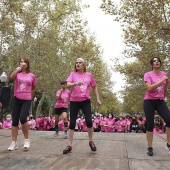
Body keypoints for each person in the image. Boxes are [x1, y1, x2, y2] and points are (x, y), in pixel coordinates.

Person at [63, 58, 101, 154]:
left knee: (88, 121)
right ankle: (69, 145)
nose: (78, 64)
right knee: (72, 123)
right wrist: (75, 83)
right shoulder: (73, 74)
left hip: (85, 101)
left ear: (84, 65)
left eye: (80, 63)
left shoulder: (89, 75)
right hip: (74, 101)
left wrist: (98, 99)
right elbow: (66, 84)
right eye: (76, 63)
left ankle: (91, 141)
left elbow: (94, 86)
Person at [8, 57, 36, 151]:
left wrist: (30, 97)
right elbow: (11, 77)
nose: (23, 63)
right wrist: (18, 68)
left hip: (26, 99)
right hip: (17, 98)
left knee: (23, 118)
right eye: (21, 61)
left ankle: (26, 140)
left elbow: (33, 87)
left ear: (27, 64)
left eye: (24, 62)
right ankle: (14, 143)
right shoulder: (17, 74)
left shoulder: (31, 75)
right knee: (14, 121)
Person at [143, 57, 170, 156]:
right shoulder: (148, 74)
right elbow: (149, 88)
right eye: (154, 61)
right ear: (152, 64)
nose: (156, 62)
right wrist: (161, 80)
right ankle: (150, 147)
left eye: (158, 60)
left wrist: (163, 95)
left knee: (169, 119)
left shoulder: (164, 75)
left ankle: (168, 144)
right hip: (149, 101)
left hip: (160, 101)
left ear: (160, 63)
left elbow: (165, 86)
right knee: (150, 124)